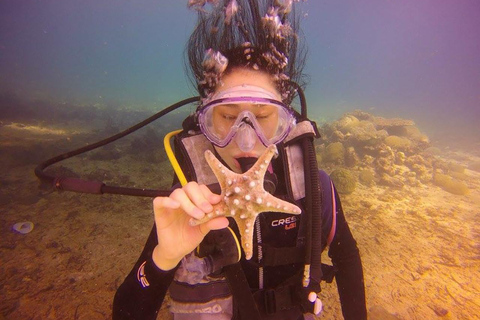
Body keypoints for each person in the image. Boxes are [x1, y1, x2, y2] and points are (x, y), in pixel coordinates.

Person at [113, 1, 367, 319]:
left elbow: (348, 260)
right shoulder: (190, 206)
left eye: (263, 117)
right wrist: (163, 258)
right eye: (227, 117)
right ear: (204, 124)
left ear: (285, 125)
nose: (245, 142)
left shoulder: (315, 194)